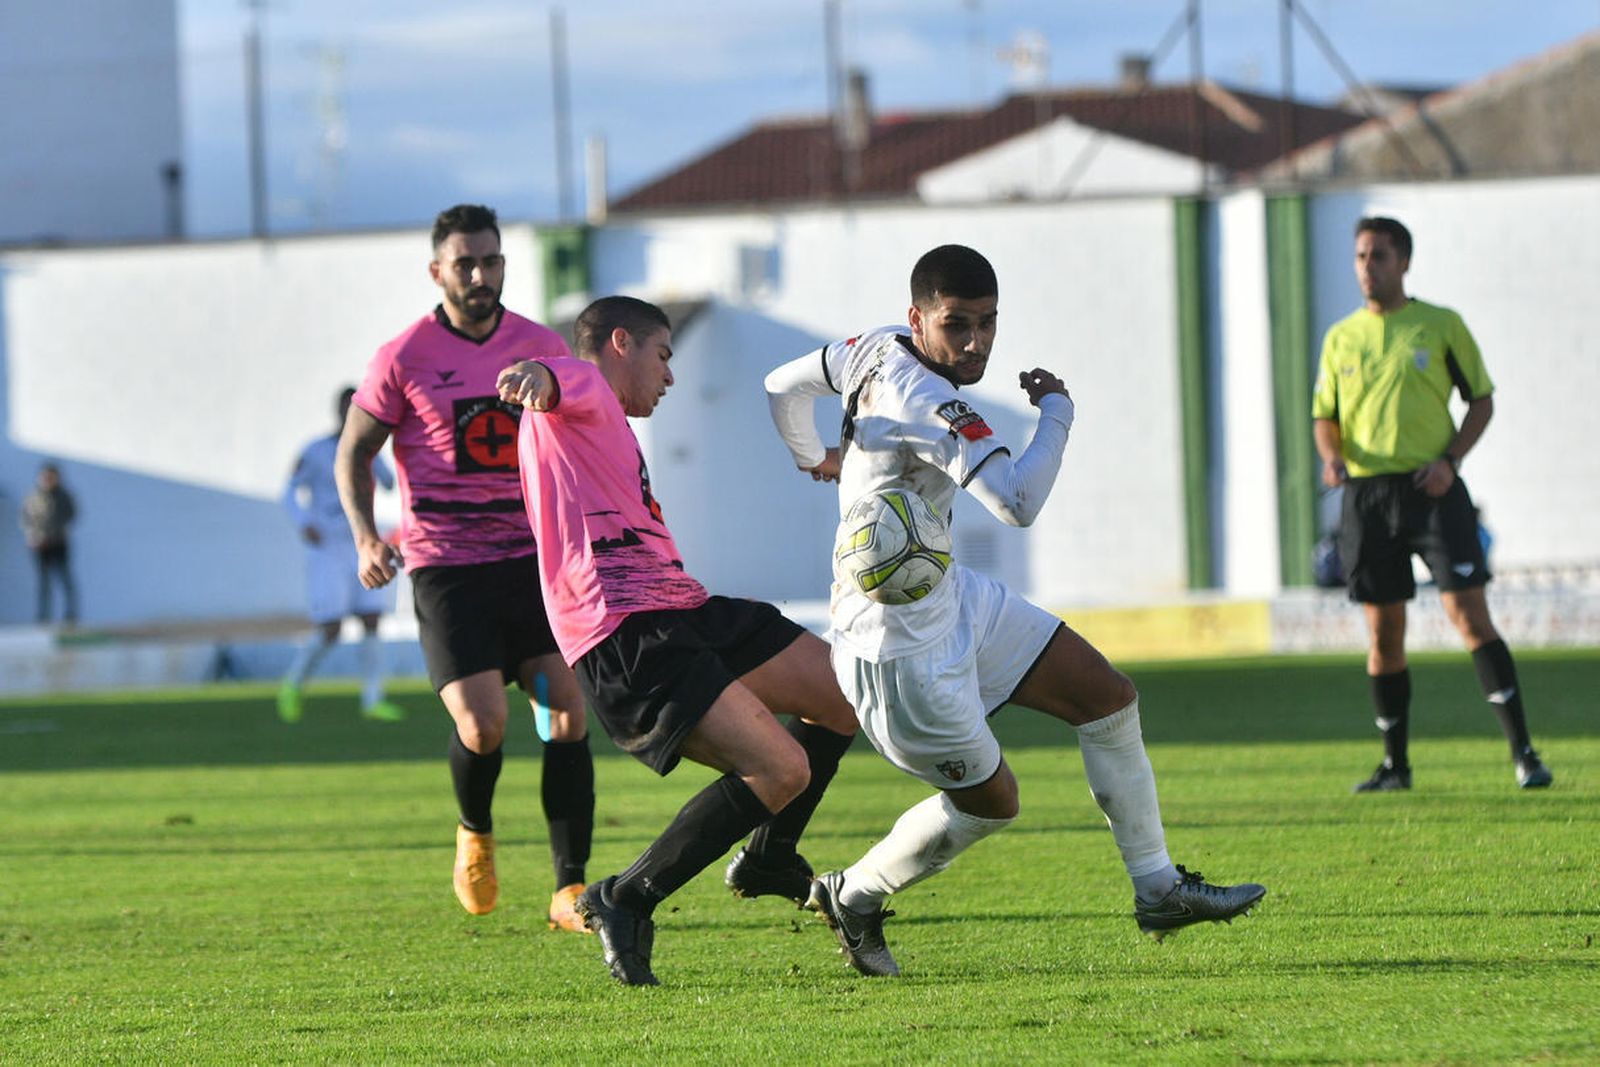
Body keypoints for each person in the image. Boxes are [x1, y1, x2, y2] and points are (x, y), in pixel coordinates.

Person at [764, 244, 1266, 977]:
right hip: (896, 649)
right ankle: (856, 894)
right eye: (957, 324)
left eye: (987, 323)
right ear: (919, 318)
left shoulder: (871, 347)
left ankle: (1159, 888)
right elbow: (1018, 502)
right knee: (993, 802)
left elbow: (781, 384)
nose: (975, 343)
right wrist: (1058, 412)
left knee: (1108, 697)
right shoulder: (931, 404)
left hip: (953, 596)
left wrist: (815, 455)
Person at [495, 296, 859, 986]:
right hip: (625, 629)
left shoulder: (601, 418)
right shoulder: (580, 388)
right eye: (664, 357)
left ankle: (769, 854)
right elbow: (557, 377)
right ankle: (626, 896)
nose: (669, 377)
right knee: (783, 769)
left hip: (682, 607)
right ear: (622, 343)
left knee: (843, 696)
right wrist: (535, 375)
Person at [335, 203, 597, 930]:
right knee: (483, 727)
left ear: (505, 263)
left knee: (566, 715)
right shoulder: (404, 355)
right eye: (465, 263)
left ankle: (569, 889)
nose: (480, 275)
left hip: (532, 562)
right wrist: (365, 537)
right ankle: (475, 831)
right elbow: (355, 452)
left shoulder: (540, 345)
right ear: (437, 271)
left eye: (491, 260)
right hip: (447, 568)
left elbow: (582, 432)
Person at [1312, 216, 1553, 792]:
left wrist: (1451, 462)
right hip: (1368, 499)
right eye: (1361, 256)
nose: (1368, 267)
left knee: (1470, 618)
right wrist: (1332, 457)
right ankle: (1395, 767)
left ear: (1404, 262)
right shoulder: (1341, 337)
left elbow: (1482, 401)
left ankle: (1524, 754)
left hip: (1432, 491)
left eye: (1380, 256)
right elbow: (1325, 414)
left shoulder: (1440, 325)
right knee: (1383, 635)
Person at [277, 387, 407, 725]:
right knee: (330, 627)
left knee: (372, 621)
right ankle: (293, 685)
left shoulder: (367, 448)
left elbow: (391, 483)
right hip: (327, 548)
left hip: (361, 543)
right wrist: (304, 522)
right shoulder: (316, 450)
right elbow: (290, 490)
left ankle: (373, 699)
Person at [21, 463, 79, 625]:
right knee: (43, 581)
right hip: (40, 545)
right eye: (45, 476)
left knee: (64, 578)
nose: (48, 480)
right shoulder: (33, 496)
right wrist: (33, 535)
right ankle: (43, 617)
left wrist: (53, 531)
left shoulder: (64, 496)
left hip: (59, 543)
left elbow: (71, 515)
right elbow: (25, 519)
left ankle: (71, 615)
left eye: (51, 476)